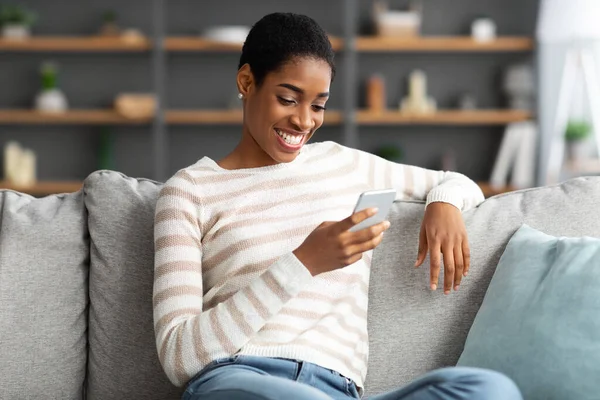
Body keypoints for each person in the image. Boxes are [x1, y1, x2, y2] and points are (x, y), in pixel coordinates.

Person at [153, 12, 522, 400]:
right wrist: (304, 261)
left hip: (336, 390)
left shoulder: (342, 164)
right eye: (288, 99)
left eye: (318, 105)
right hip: (238, 380)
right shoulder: (190, 191)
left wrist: (444, 204)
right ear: (247, 82)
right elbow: (179, 357)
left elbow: (455, 182)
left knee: (489, 389)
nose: (303, 121)